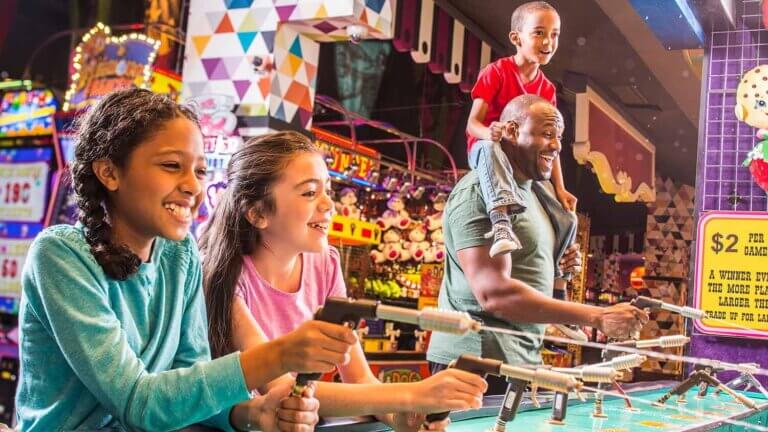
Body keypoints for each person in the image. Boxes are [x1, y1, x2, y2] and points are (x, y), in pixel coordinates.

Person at [16, 88, 359, 431]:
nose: (192, 186)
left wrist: (251, 414)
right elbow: (138, 401)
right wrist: (279, 356)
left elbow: (189, 383)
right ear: (109, 173)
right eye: (171, 166)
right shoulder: (60, 255)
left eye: (199, 171)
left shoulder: (181, 256)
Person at [199, 131, 487, 432]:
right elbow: (283, 389)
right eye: (310, 193)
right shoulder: (224, 276)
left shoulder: (325, 264)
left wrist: (402, 416)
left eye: (328, 190)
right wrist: (415, 394)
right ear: (258, 213)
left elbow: (360, 378)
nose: (329, 205)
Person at [428, 95, 649, 394]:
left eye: (558, 137)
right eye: (546, 134)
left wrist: (559, 266)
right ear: (510, 131)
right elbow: (493, 294)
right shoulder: (479, 192)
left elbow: (529, 269)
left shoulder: (537, 195)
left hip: (520, 360)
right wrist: (596, 316)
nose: (556, 146)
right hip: (475, 361)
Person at [466, 1, 578, 258]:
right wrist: (490, 133)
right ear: (516, 37)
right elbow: (473, 124)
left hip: (522, 162)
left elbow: (551, 141)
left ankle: (561, 267)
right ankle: (501, 222)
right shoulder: (495, 72)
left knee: (566, 215)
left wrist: (559, 187)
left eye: (554, 34)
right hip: (488, 151)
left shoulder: (547, 89)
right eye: (539, 32)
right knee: (489, 148)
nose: (548, 41)